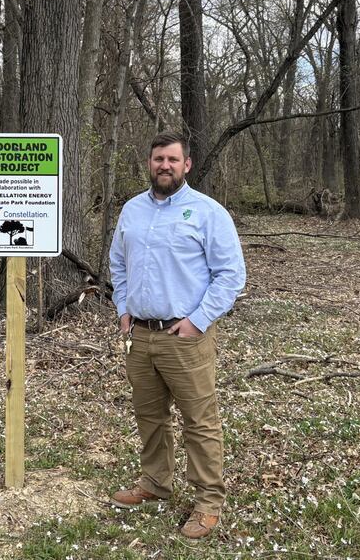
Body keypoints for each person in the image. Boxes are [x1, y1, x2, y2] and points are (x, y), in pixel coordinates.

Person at [108, 130, 246, 539]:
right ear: (149, 164)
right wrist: (123, 310)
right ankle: (155, 483)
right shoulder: (131, 211)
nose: (164, 166)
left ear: (186, 165)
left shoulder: (208, 212)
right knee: (149, 417)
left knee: (199, 421)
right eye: (158, 159)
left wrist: (197, 320)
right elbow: (118, 264)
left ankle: (208, 501)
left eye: (172, 159)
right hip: (140, 335)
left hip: (185, 337)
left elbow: (231, 275)